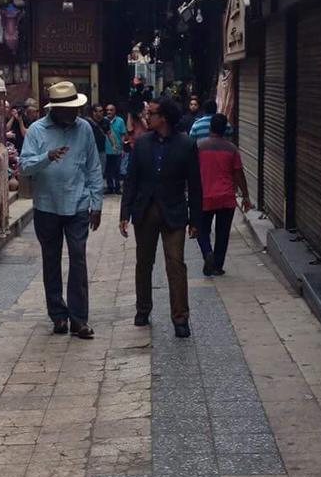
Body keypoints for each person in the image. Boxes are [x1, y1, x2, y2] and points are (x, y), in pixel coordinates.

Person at [19, 81, 103, 339]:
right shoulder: (36, 130)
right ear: (55, 109)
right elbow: (24, 167)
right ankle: (58, 315)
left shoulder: (85, 128)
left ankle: (79, 319)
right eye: (68, 109)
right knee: (51, 260)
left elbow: (93, 166)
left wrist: (96, 202)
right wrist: (47, 157)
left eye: (75, 108)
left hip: (77, 203)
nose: (74, 113)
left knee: (78, 257)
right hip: (47, 206)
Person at [120, 97, 202, 339]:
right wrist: (125, 212)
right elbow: (131, 180)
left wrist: (196, 220)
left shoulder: (186, 145)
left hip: (174, 212)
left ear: (163, 117)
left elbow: (195, 185)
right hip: (145, 210)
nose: (148, 117)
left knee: (175, 264)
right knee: (143, 263)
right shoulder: (142, 143)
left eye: (152, 113)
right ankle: (143, 309)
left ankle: (180, 317)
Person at [196, 114, 252, 277]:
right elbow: (238, 174)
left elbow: (191, 172)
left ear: (210, 128)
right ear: (224, 130)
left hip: (205, 196)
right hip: (226, 197)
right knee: (223, 232)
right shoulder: (231, 149)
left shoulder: (199, 146)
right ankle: (218, 265)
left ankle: (207, 253)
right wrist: (246, 196)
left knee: (202, 229)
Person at [104, 103, 127, 194]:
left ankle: (117, 187)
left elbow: (123, 135)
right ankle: (110, 187)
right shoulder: (103, 120)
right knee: (108, 170)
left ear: (115, 111)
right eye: (107, 110)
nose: (109, 112)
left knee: (117, 170)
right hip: (106, 149)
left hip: (117, 149)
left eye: (111, 110)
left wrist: (122, 148)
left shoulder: (120, 121)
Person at [86, 103, 114, 175]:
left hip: (101, 150)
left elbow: (109, 133)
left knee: (101, 170)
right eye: (99, 111)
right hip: (90, 150)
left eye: (102, 111)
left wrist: (114, 144)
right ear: (94, 112)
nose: (101, 113)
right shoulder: (88, 122)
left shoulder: (105, 122)